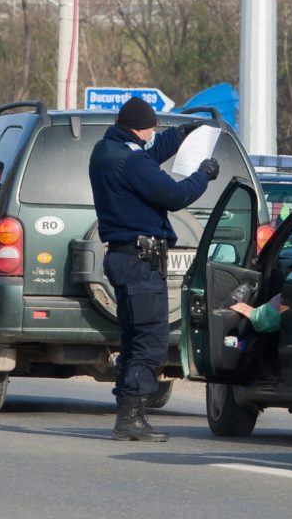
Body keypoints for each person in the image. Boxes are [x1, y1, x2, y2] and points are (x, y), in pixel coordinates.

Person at [88, 98, 219, 442]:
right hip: (139, 260)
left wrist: (184, 133)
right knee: (151, 340)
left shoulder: (109, 149)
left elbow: (152, 150)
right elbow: (174, 195)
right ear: (138, 127)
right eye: (151, 128)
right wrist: (202, 176)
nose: (153, 134)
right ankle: (131, 415)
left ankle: (128, 413)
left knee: (135, 338)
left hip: (124, 257)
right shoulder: (130, 160)